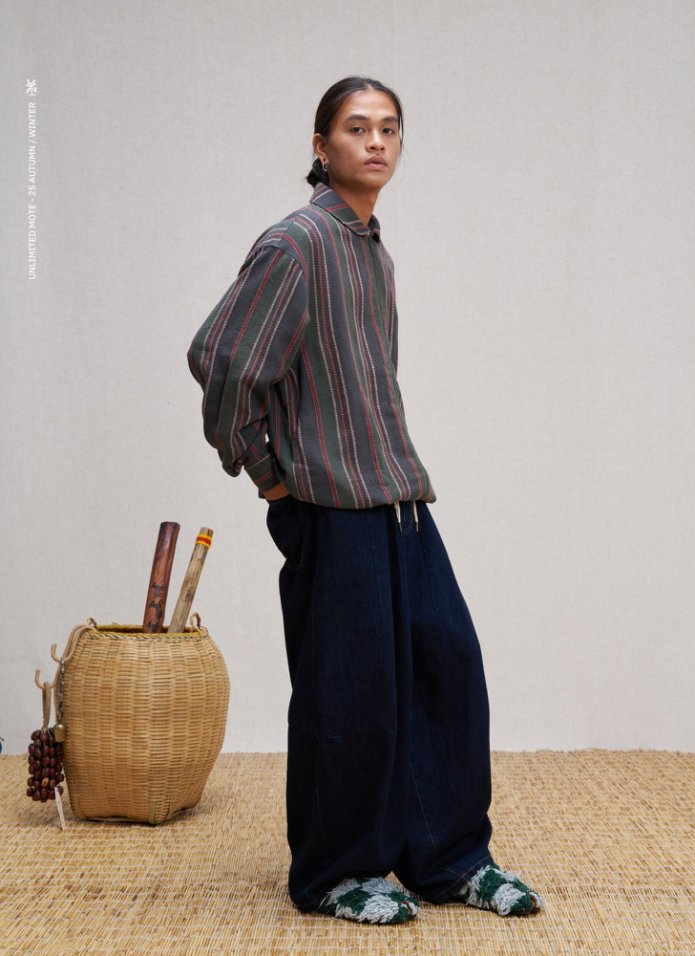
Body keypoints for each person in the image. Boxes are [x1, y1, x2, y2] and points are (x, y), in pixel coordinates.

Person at [187, 75, 544, 926]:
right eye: (356, 128)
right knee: (347, 694)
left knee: (444, 675)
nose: (376, 141)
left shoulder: (371, 250)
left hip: (399, 499)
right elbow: (222, 358)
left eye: (389, 128)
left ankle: (448, 859)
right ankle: (336, 872)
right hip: (332, 509)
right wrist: (268, 474)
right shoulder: (297, 244)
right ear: (322, 147)